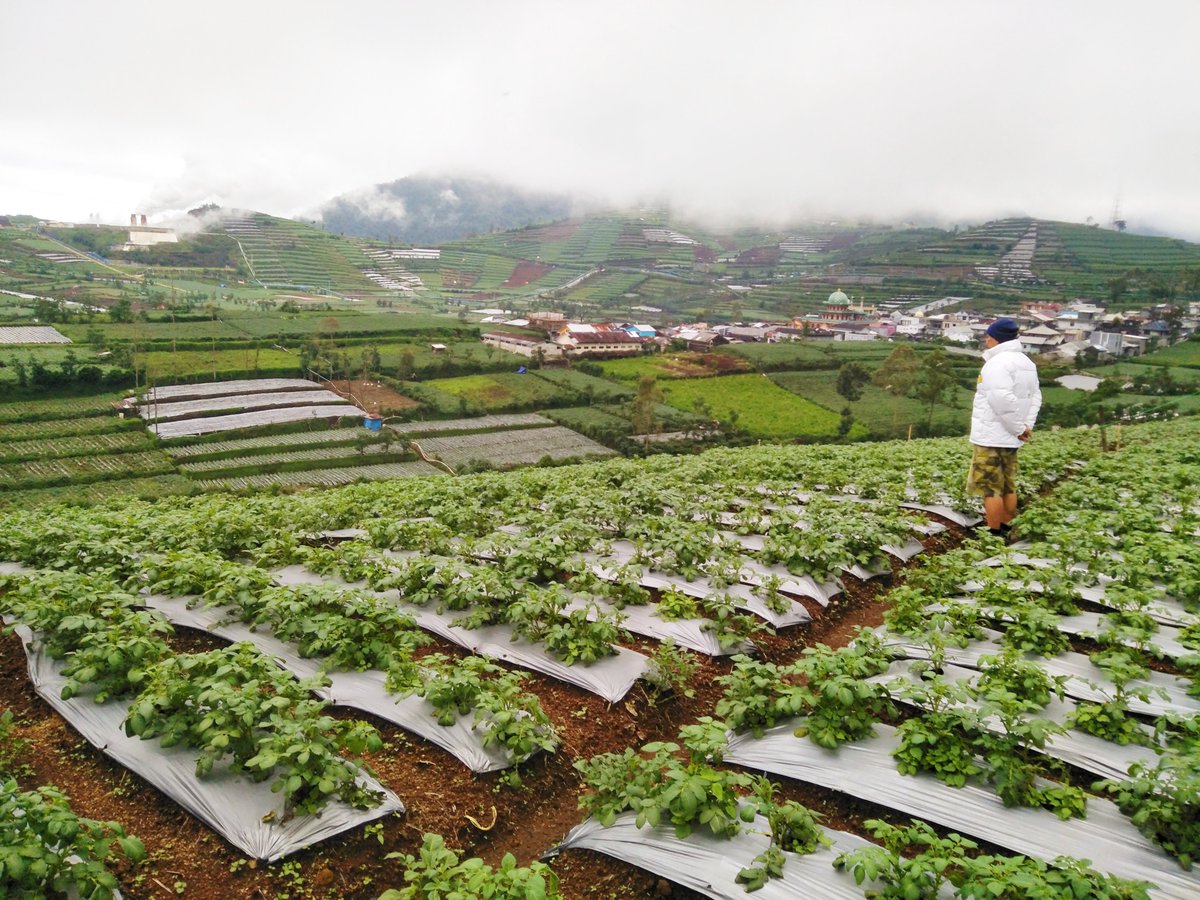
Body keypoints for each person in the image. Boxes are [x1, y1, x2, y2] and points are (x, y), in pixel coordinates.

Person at [967, 318, 1042, 538]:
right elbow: (1035, 396)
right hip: (1011, 437)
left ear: (995, 338)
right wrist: (1026, 425)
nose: (986, 340)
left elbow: (1001, 399)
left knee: (991, 488)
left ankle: (993, 533)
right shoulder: (1027, 363)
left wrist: (1018, 427)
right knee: (1008, 484)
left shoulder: (997, 363)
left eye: (988, 336)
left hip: (992, 436)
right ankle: (1008, 527)